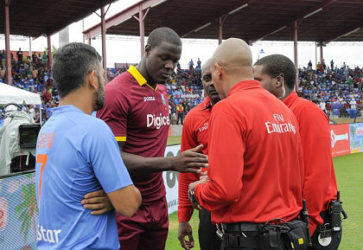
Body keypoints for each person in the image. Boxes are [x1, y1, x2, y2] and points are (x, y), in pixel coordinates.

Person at [83, 27, 208, 250]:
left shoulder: (161, 90)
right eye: (164, 58)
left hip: (157, 201)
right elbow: (111, 158)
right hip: (125, 204)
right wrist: (171, 162)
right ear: (147, 50)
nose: (170, 66)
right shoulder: (117, 93)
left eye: (175, 61)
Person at [188, 38, 306, 250]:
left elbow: (224, 191)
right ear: (250, 70)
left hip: (251, 237)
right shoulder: (284, 109)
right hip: (289, 234)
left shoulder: (228, 109)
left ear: (218, 71)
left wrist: (197, 190)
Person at [35, 43, 141, 250]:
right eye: (103, 75)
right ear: (92, 78)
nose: (105, 81)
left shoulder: (47, 128)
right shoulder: (94, 130)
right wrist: (118, 197)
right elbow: (128, 205)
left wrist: (112, 198)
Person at [254, 54, 342, 250]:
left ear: (278, 81)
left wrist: (305, 227)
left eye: (258, 80)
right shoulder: (271, 114)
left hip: (311, 225)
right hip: (289, 223)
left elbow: (317, 175)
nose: (252, 85)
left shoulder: (306, 112)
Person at [178, 58, 221, 250]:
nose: (211, 83)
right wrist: (183, 218)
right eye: (206, 78)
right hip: (208, 207)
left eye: (215, 77)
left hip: (246, 205)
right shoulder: (194, 117)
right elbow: (187, 171)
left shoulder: (247, 110)